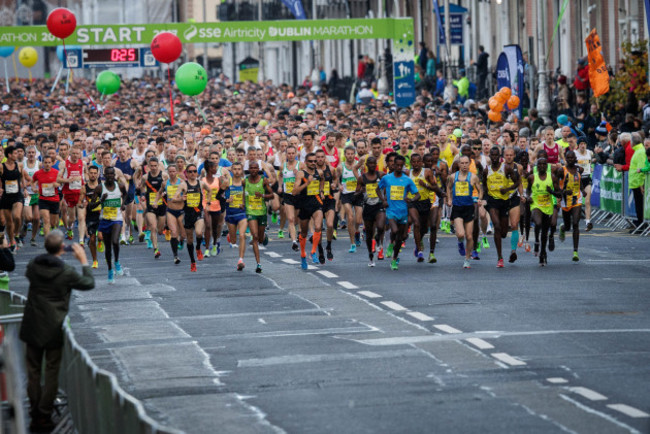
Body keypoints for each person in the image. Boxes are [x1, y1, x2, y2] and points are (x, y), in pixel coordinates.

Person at [20, 230, 94, 432]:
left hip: (32, 323)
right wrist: (84, 261)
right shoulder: (66, 272)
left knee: (33, 371)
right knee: (51, 371)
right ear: (63, 248)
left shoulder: (33, 266)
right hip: (53, 325)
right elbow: (88, 283)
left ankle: (35, 411)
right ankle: (44, 413)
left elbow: (29, 272)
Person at [377, 155, 420, 271]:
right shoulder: (387, 178)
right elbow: (378, 189)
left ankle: (394, 259)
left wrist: (411, 200)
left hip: (403, 212)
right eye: (397, 165)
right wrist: (383, 200)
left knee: (401, 237)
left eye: (402, 165)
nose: (399, 167)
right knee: (394, 230)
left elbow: (417, 194)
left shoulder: (407, 180)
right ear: (394, 165)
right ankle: (391, 243)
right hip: (391, 210)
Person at [447, 155, 482, 269]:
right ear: (458, 164)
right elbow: (448, 187)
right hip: (457, 208)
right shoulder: (453, 177)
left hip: (469, 208)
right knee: (461, 234)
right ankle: (460, 241)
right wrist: (449, 199)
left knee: (469, 236)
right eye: (462, 163)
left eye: (466, 163)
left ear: (469, 164)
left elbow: (480, 189)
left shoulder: (473, 177)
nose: (464, 165)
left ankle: (467, 259)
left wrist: (480, 199)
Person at [96, 166, 127, 283]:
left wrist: (123, 203)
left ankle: (117, 262)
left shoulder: (120, 186)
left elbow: (125, 195)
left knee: (115, 241)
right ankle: (110, 270)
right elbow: (91, 206)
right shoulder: (100, 188)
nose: (110, 176)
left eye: (111, 174)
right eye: (107, 174)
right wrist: (101, 201)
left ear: (114, 175)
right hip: (104, 219)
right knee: (108, 248)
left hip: (117, 219)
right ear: (104, 175)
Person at [244, 161, 273, 273]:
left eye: (255, 168)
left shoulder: (263, 180)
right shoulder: (245, 181)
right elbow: (241, 192)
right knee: (255, 237)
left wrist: (263, 195)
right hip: (251, 212)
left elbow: (272, 195)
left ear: (259, 169)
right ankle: (259, 264)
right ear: (249, 169)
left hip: (261, 212)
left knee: (260, 239)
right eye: (251, 168)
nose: (253, 170)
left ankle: (264, 236)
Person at [557, 150, 585, 261]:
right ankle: (563, 228)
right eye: (567, 158)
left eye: (571, 158)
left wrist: (583, 190)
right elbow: (556, 185)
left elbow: (579, 180)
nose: (569, 160)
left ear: (575, 159)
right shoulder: (561, 170)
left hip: (576, 198)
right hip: (565, 200)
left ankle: (575, 251)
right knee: (568, 226)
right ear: (565, 159)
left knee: (575, 223)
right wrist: (562, 193)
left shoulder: (578, 170)